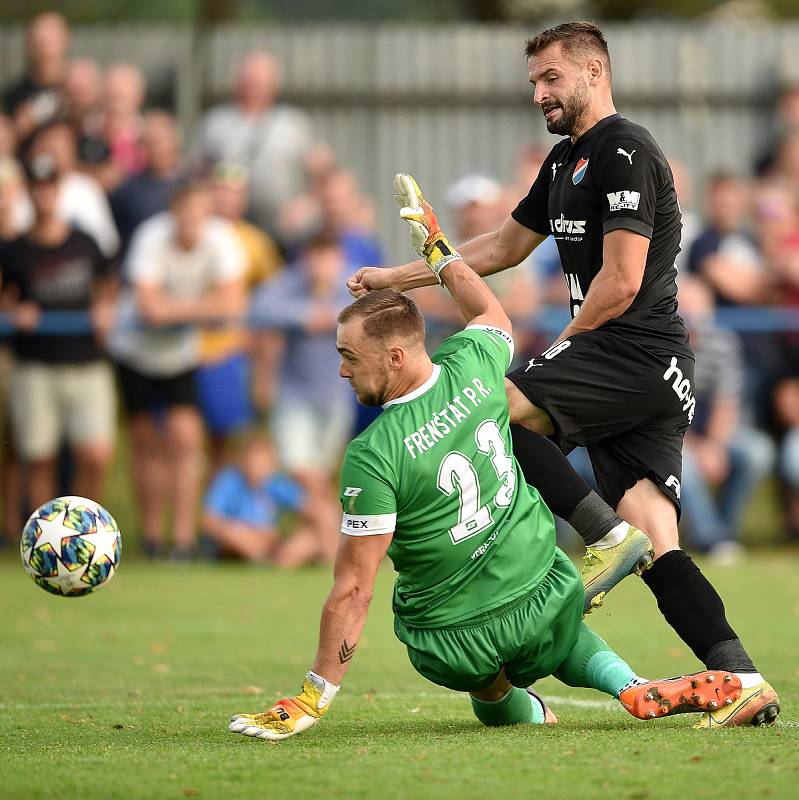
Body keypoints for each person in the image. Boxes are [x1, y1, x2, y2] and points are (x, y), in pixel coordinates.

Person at [346, 22, 778, 727]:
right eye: (533, 83)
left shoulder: (624, 150)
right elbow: (508, 245)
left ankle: (601, 540)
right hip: (640, 370)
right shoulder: (564, 161)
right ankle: (742, 679)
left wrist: (560, 351)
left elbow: (620, 280)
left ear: (592, 72)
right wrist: (399, 273)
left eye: (550, 78)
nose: (539, 93)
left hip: (632, 352)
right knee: (659, 548)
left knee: (489, 407)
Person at [228, 174, 747, 742]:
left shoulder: (372, 455)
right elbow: (487, 308)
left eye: (351, 357)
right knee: (561, 630)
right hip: (541, 596)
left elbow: (354, 587)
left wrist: (313, 694)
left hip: (454, 637)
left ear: (395, 357)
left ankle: (520, 704)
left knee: (488, 686)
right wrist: (437, 248)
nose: (342, 370)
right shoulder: (477, 363)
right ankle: (629, 686)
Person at [107, 180, 246, 559]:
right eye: (185, 214)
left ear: (207, 214)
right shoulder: (151, 237)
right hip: (135, 351)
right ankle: (152, 538)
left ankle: (183, 541)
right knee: (146, 444)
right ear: (174, 214)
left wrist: (174, 309)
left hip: (181, 354)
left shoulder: (222, 239)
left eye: (199, 214)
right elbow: (148, 308)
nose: (191, 222)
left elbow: (231, 304)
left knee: (185, 442)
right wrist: (202, 307)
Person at [0, 153, 117, 512]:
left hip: (86, 360)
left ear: (58, 191)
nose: (42, 196)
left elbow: (108, 282)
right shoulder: (14, 249)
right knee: (39, 457)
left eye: (48, 188)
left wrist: (105, 307)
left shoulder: (83, 240)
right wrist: (13, 312)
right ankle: (44, 541)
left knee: (95, 453)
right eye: (35, 189)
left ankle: (87, 532)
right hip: (35, 362)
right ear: (28, 194)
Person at [677, 276, 775, 561]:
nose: (692, 317)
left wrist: (715, 447)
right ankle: (711, 538)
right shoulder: (657, 348)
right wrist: (699, 448)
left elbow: (727, 402)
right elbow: (658, 416)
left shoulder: (723, 343)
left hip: (713, 433)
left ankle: (724, 533)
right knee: (685, 461)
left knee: (757, 451)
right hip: (671, 435)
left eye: (698, 309)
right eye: (683, 308)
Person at [193, 52, 322, 238]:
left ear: (274, 85)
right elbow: (197, 173)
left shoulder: (294, 124)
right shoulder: (215, 123)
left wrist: (306, 202)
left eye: (258, 82)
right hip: (230, 228)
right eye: (247, 81)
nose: (251, 87)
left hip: (284, 228)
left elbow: (321, 173)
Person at [201, 433, 338, 566]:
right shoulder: (230, 480)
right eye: (253, 460)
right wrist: (244, 533)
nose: (257, 466)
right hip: (236, 542)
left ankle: (318, 560)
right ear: (242, 460)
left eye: (263, 461)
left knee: (312, 536)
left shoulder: (275, 483)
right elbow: (210, 520)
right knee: (233, 533)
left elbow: (311, 507)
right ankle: (266, 559)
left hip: (271, 543)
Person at [2, 12, 70, 143]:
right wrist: (16, 130)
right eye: (37, 43)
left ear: (65, 40)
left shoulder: (77, 89)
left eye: (49, 41)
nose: (43, 49)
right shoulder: (14, 94)